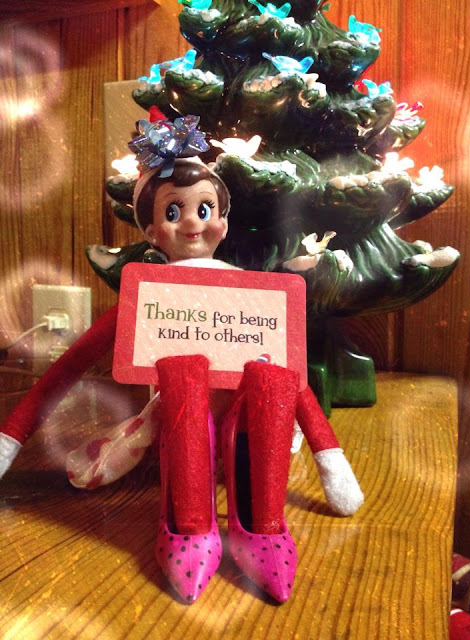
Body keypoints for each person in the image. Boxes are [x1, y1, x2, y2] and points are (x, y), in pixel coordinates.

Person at [0, 115, 363, 604]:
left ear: (223, 222)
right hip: (178, 432)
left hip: (253, 434)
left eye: (204, 208)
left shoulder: (254, 297)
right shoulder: (146, 297)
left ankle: (263, 525)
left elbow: (290, 377)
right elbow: (71, 365)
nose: (192, 222)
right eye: (174, 212)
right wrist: (11, 435)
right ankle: (189, 525)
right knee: (185, 372)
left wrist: (329, 454)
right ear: (152, 230)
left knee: (271, 377)